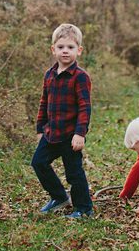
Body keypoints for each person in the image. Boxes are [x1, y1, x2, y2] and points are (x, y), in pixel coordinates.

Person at [31, 23, 94, 218]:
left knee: (74, 173)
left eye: (70, 47)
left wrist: (80, 133)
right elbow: (44, 102)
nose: (65, 51)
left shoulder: (80, 77)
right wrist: (41, 127)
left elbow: (85, 107)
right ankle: (59, 197)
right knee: (38, 163)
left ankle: (84, 209)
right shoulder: (49, 75)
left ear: (79, 50)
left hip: (70, 135)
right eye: (60, 47)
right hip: (51, 133)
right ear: (53, 50)